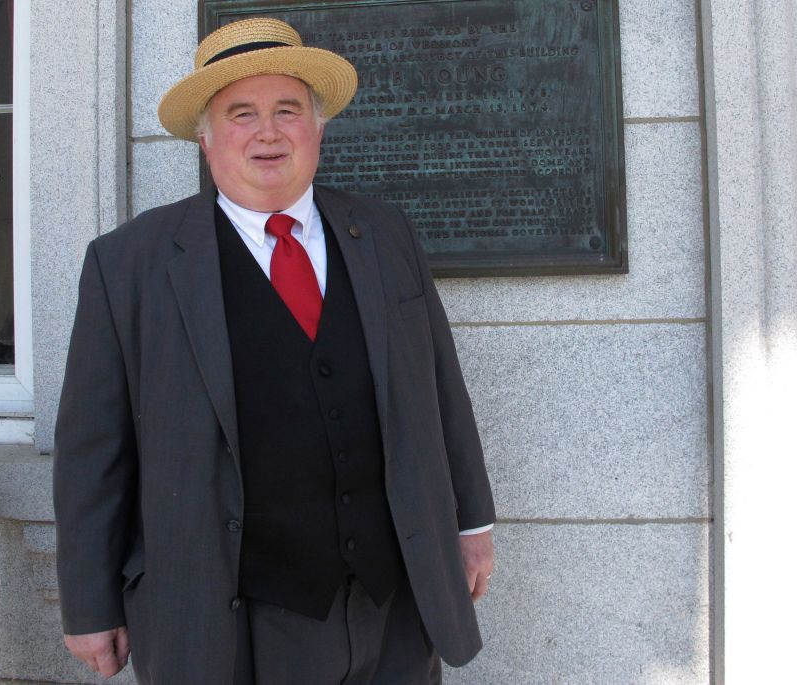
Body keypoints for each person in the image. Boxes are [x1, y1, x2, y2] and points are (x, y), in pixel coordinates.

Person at [53, 17, 495, 684]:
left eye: (287, 110)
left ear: (316, 128)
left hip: (395, 602)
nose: (268, 131)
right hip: (234, 618)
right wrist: (88, 602)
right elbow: (93, 451)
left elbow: (439, 390)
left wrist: (470, 522)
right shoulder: (128, 266)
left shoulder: (384, 234)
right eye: (241, 114)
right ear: (205, 138)